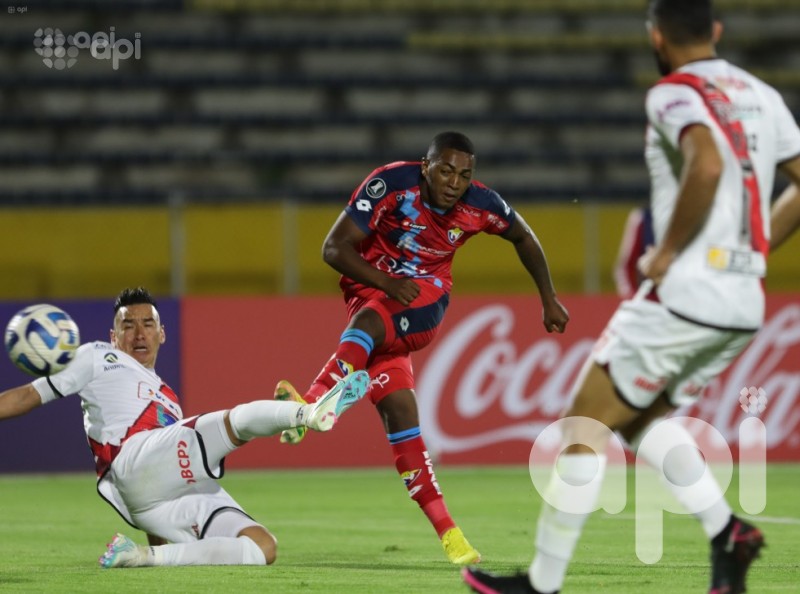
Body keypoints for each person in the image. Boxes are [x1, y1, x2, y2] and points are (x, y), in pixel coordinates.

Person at [464, 1, 800, 592]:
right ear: (715, 31)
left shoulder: (672, 93)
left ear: (657, 36)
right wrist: (757, 245)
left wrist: (667, 251)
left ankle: (541, 584)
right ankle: (728, 535)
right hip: (742, 302)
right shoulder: (763, 96)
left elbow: (706, 164)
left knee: (581, 428)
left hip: (684, 295)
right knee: (640, 419)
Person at [273, 131, 570, 565]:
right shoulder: (390, 185)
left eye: (464, 175)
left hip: (423, 301)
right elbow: (333, 248)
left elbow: (523, 236)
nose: (454, 182)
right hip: (379, 295)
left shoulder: (481, 206)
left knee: (368, 324)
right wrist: (387, 283)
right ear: (426, 165)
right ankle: (453, 537)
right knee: (401, 416)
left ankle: (313, 405)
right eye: (446, 170)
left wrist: (548, 296)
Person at [0, 287, 369, 568]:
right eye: (128, 325)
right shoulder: (96, 355)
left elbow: (164, 469)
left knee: (262, 547)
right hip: (130, 459)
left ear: (162, 334)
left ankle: (143, 558)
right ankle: (305, 414)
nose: (138, 333)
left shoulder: (168, 398)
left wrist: (155, 546)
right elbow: (24, 397)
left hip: (155, 499)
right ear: (114, 337)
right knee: (228, 422)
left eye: (148, 324)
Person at [613, 205, 654, 299]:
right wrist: (634, 297)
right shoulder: (642, 217)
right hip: (649, 301)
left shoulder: (692, 218)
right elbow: (625, 266)